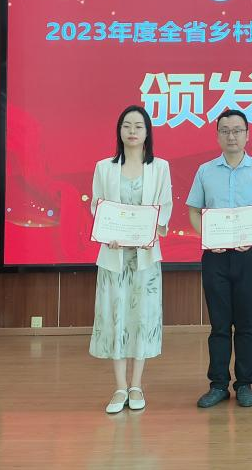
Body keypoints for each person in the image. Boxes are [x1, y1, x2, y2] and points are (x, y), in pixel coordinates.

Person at [186, 110, 252, 409]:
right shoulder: (205, 171)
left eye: (237, 130)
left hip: (249, 254)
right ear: (217, 136)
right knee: (219, 324)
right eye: (225, 130)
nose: (232, 136)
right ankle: (217, 384)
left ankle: (245, 384)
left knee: (246, 323)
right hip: (215, 256)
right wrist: (206, 236)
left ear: (248, 134)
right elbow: (193, 210)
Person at [89, 105, 173, 414]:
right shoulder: (104, 168)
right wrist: (107, 231)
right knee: (116, 318)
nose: (133, 131)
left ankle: (136, 384)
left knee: (142, 319)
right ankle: (119, 387)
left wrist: (148, 231)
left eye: (139, 125)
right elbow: (97, 206)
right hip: (114, 257)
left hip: (145, 258)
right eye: (127, 125)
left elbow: (164, 207)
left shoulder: (160, 167)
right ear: (119, 131)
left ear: (148, 132)